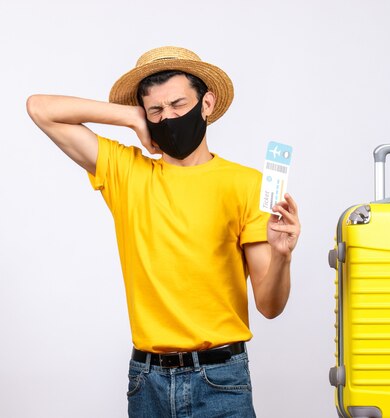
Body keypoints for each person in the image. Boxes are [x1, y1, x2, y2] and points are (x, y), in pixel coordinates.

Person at [26, 46, 300, 418]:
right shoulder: (127, 172)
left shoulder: (248, 184)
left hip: (221, 379)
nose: (168, 117)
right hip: (147, 382)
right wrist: (130, 117)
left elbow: (269, 306)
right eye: (156, 110)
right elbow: (40, 108)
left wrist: (282, 256)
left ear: (207, 104)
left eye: (178, 104)